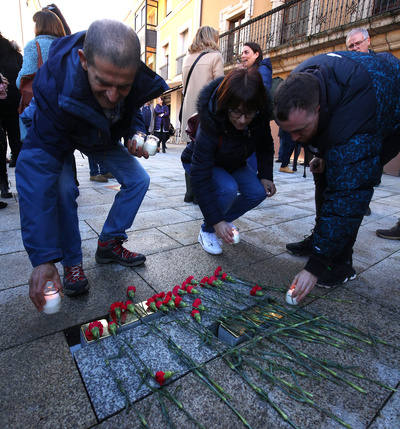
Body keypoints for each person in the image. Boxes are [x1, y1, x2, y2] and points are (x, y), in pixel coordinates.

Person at [15, 20, 168, 311]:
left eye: (121, 86)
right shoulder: (53, 81)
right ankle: (71, 264)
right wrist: (43, 259)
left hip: (98, 135)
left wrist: (134, 132)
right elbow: (36, 170)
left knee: (138, 180)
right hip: (58, 136)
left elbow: (130, 107)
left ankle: (109, 243)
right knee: (61, 190)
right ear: (84, 61)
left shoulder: (128, 76)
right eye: (103, 84)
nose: (112, 97)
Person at [273, 50, 400, 302]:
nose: (295, 140)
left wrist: (315, 267)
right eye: (289, 133)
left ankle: (341, 264)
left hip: (390, 118)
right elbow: (313, 133)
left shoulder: (354, 116)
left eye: (300, 131)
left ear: (319, 110)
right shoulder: (300, 82)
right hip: (353, 103)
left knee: (347, 182)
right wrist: (319, 151)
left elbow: (349, 195)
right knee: (324, 171)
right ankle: (322, 240)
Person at [181, 68, 276, 255]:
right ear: (225, 105)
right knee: (228, 188)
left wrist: (266, 175)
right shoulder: (210, 121)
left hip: (233, 162)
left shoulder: (259, 117)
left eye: (248, 114)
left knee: (258, 192)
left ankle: (222, 221)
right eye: (236, 112)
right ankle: (208, 230)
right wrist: (216, 221)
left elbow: (265, 145)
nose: (242, 120)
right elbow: (200, 176)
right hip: (200, 163)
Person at [181, 26, 224, 202]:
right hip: (205, 110)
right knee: (206, 152)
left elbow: (185, 87)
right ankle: (201, 195)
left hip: (188, 110)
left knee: (190, 151)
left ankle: (189, 192)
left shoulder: (187, 58)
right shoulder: (216, 57)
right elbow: (219, 87)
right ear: (212, 38)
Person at [0, 33, 22, 179]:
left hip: (1, 99)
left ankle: (3, 182)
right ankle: (17, 159)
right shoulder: (15, 53)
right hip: (14, 97)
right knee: (15, 133)